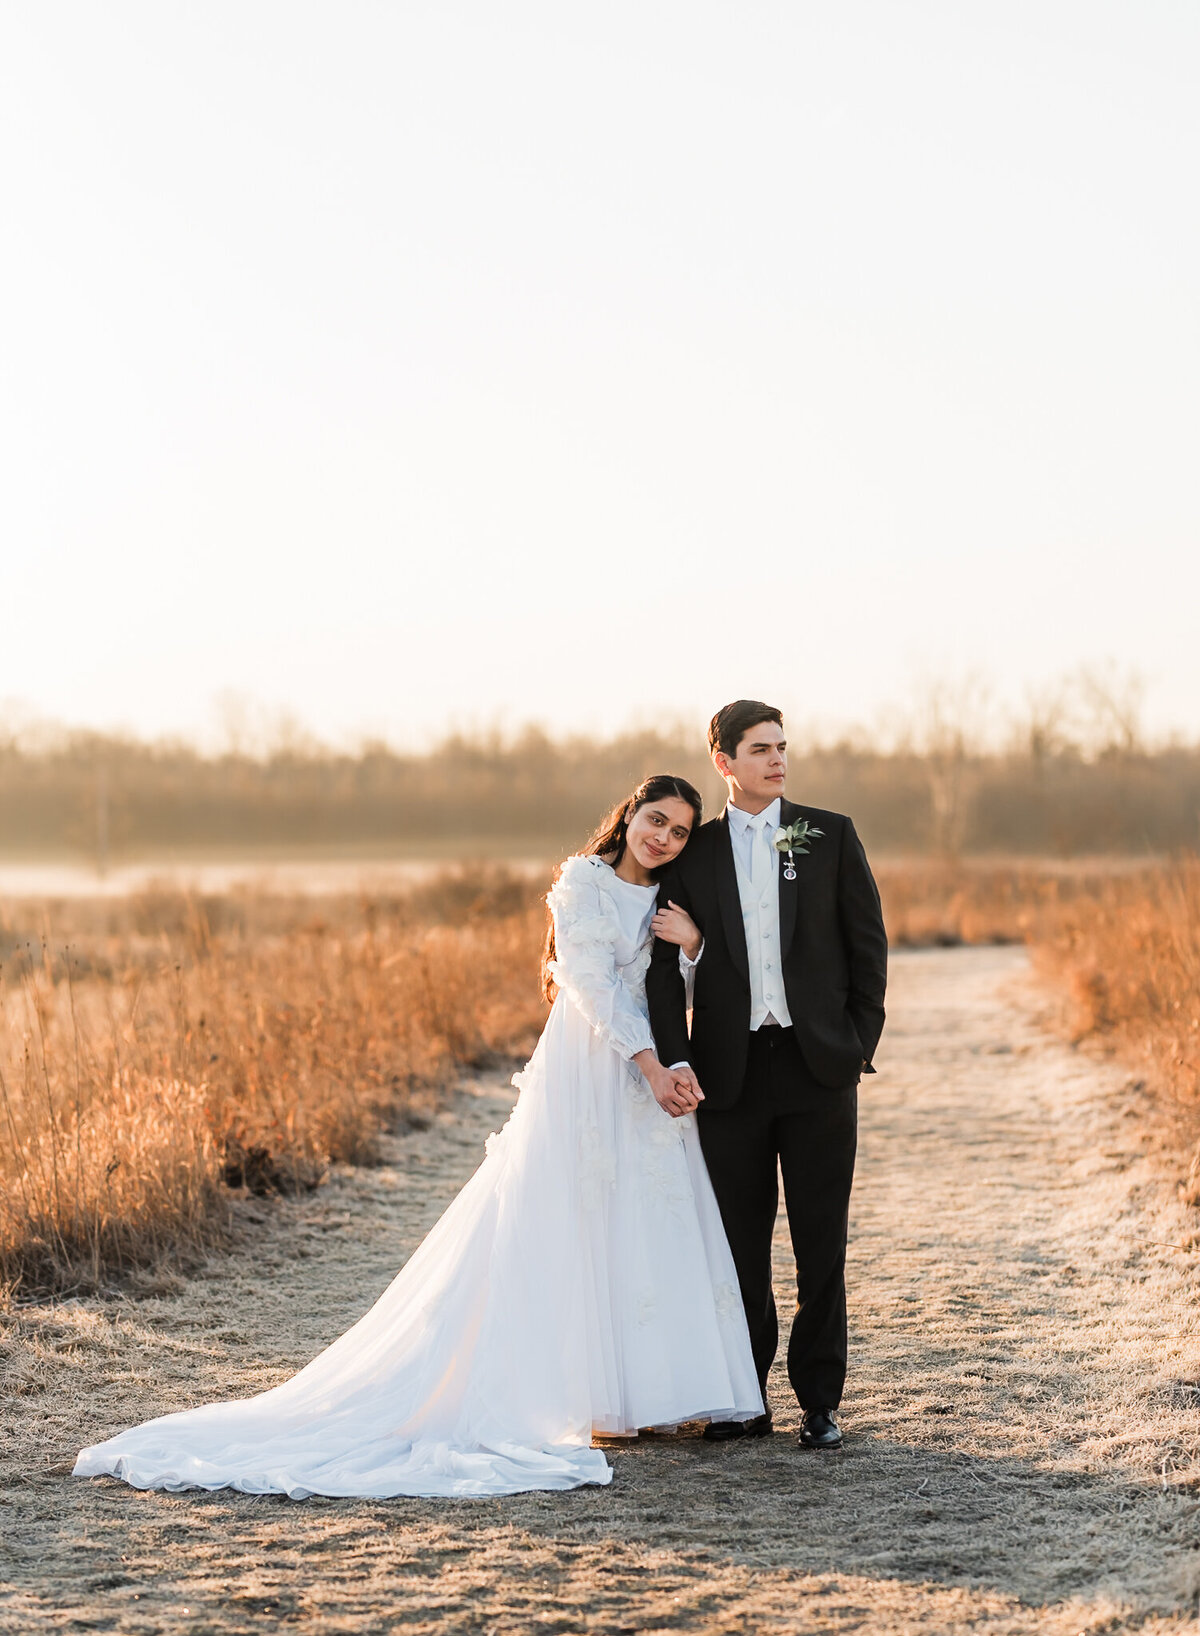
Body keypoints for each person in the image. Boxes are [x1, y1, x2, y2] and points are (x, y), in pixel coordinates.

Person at [74, 775, 762, 1500]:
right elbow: (590, 989)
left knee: (643, 1217)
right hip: (591, 1067)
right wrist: (652, 1063)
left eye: (681, 831)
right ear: (628, 817)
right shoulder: (582, 883)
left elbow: (671, 992)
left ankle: (642, 1400)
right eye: (656, 820)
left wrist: (691, 950)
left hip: (642, 1071)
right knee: (568, 1210)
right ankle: (563, 1394)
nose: (664, 838)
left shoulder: (669, 900)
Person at [647, 702, 887, 1450]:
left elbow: (867, 948)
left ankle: (820, 1402)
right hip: (729, 1079)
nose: (777, 760)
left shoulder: (829, 834)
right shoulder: (695, 851)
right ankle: (742, 1398)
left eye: (782, 747)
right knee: (738, 1248)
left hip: (818, 1072)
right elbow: (660, 970)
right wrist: (676, 1057)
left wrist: (855, 1044)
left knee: (822, 1245)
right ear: (724, 762)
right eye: (760, 750)